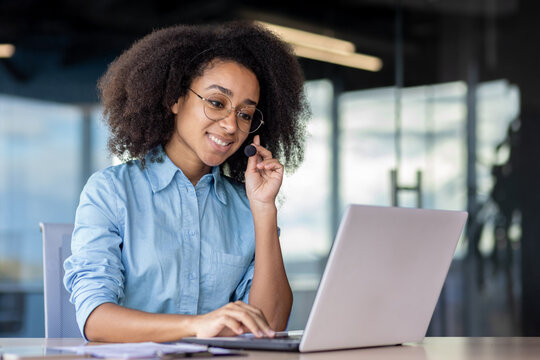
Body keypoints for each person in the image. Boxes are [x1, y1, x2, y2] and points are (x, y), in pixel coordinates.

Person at [63, 21, 309, 343]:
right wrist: (196, 326)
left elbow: (270, 324)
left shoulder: (246, 206)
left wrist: (263, 210)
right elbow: (95, 319)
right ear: (175, 99)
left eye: (245, 114)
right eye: (217, 103)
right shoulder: (111, 192)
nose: (231, 125)